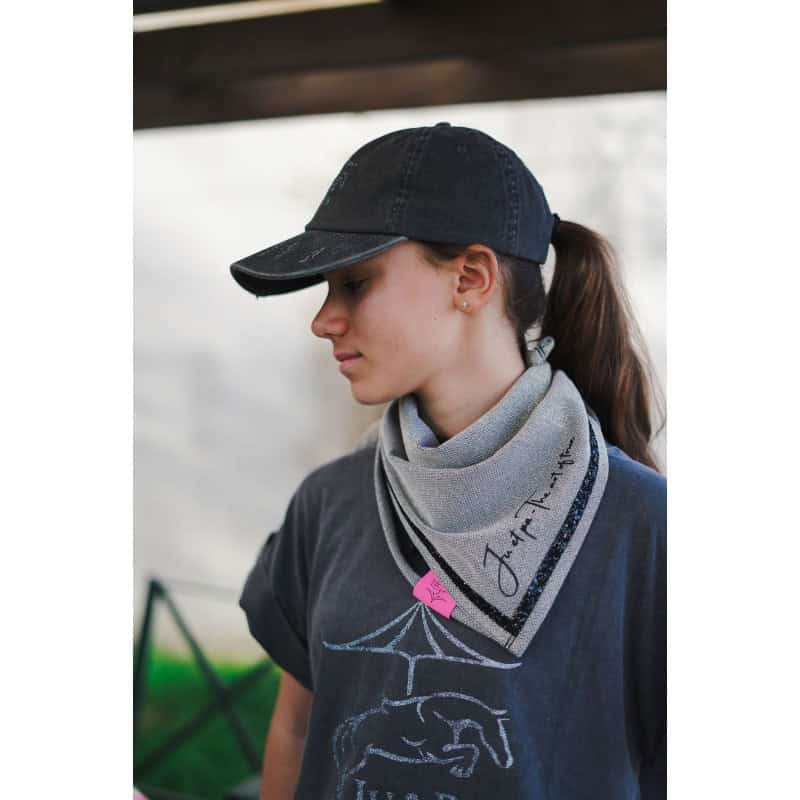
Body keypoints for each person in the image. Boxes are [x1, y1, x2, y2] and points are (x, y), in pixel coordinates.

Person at [230, 122, 666, 800]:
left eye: (355, 283)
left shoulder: (644, 525)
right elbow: (296, 729)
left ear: (470, 278)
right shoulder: (328, 504)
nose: (323, 319)